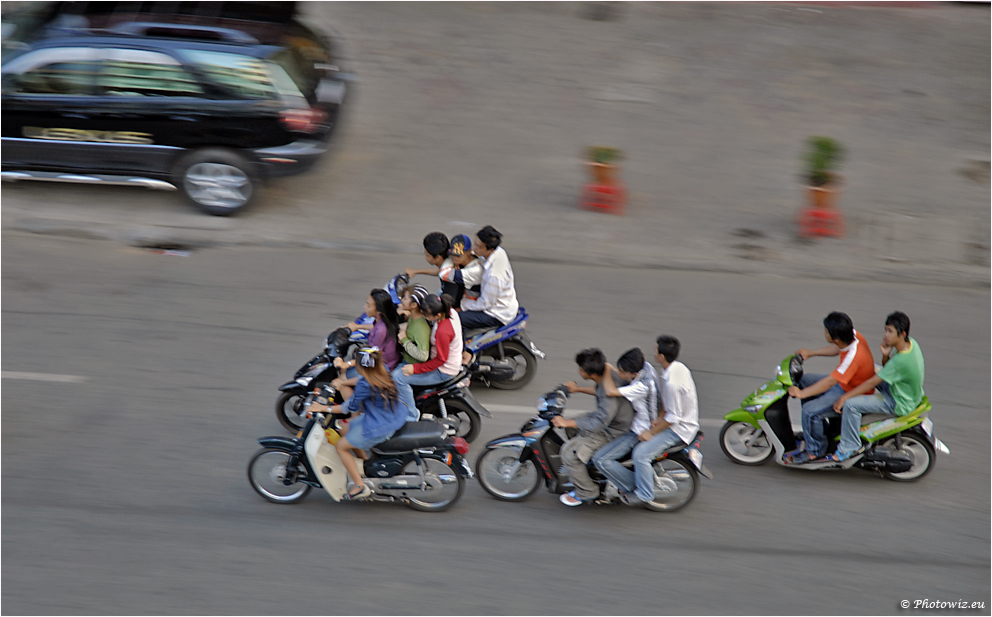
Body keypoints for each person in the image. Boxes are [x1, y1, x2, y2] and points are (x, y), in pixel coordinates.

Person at [311, 347, 411, 500]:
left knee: (341, 447)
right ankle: (364, 465)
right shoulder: (380, 370)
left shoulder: (366, 386)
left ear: (361, 366)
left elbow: (349, 407)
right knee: (344, 429)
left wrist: (323, 407)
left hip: (380, 424)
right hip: (391, 415)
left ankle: (359, 485)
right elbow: (361, 378)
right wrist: (343, 382)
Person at [830, 311, 925, 462]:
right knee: (869, 369)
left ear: (902, 334)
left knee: (850, 405)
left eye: (890, 332)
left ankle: (850, 446)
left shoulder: (900, 360)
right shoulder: (911, 344)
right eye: (886, 330)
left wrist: (844, 397)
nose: (885, 335)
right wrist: (886, 355)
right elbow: (891, 372)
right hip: (907, 393)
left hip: (898, 402)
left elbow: (873, 382)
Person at [784, 312, 876, 464]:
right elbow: (837, 348)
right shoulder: (853, 336)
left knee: (809, 411)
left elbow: (830, 382)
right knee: (804, 381)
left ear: (836, 337)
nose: (824, 332)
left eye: (826, 331)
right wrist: (810, 353)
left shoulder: (853, 357)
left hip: (852, 391)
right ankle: (817, 431)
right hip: (846, 384)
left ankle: (815, 450)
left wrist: (802, 394)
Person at [622, 335, 699, 505]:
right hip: (675, 420)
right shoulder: (676, 368)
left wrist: (651, 432)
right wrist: (658, 418)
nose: (654, 351)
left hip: (679, 429)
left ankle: (644, 494)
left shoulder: (673, 382)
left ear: (661, 356)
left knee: (640, 454)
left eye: (656, 349)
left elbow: (674, 417)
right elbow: (667, 402)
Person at [552, 348, 634, 506]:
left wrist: (566, 422)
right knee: (574, 425)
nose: (579, 371)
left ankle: (587, 491)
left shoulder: (608, 397)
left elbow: (599, 422)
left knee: (568, 453)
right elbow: (600, 391)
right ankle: (586, 464)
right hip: (613, 421)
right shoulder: (609, 376)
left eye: (581, 370)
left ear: (593, 374)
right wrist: (577, 389)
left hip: (613, 431)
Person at [590, 348, 660, 504]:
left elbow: (610, 391)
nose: (620, 375)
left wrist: (607, 368)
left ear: (634, 374)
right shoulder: (646, 367)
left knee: (601, 460)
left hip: (639, 431)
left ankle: (634, 486)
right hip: (639, 421)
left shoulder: (641, 387)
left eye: (622, 372)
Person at [334, 289, 401, 398]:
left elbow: (370, 355)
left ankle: (355, 413)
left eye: (368, 305)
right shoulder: (382, 321)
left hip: (381, 368)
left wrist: (348, 364)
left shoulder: (381, 330)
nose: (365, 307)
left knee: (340, 380)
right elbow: (375, 328)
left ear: (378, 311)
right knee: (343, 370)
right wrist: (357, 327)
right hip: (381, 361)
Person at [458, 225, 518, 331]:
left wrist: (463, 305)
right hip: (499, 303)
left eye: (479, 247)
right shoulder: (498, 251)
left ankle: (461, 348)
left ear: (490, 249)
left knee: (457, 319)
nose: (475, 249)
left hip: (496, 314)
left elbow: (485, 304)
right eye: (475, 244)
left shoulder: (494, 275)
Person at [397, 293, 464, 388]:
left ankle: (407, 404)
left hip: (443, 371)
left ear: (438, 315)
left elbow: (441, 360)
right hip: (447, 362)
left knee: (398, 378)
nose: (424, 317)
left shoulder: (442, 332)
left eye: (426, 315)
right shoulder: (450, 311)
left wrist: (414, 369)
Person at [392, 284, 432, 419]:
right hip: (406, 360)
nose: (402, 300)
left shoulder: (421, 327)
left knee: (396, 378)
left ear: (414, 305)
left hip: (414, 366)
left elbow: (423, 356)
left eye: (405, 298)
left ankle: (411, 415)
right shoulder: (412, 318)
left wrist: (404, 340)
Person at [405, 232, 460, 300]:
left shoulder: (450, 279)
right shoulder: (448, 261)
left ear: (438, 258)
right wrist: (416, 271)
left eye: (427, 255)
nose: (425, 258)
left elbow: (449, 302)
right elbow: (439, 271)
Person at [438, 233, 484, 308]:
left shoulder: (476, 270)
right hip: (464, 301)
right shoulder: (467, 258)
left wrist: (451, 262)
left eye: (458, 255)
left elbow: (443, 274)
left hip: (473, 306)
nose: (454, 257)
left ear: (469, 252)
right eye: (453, 254)